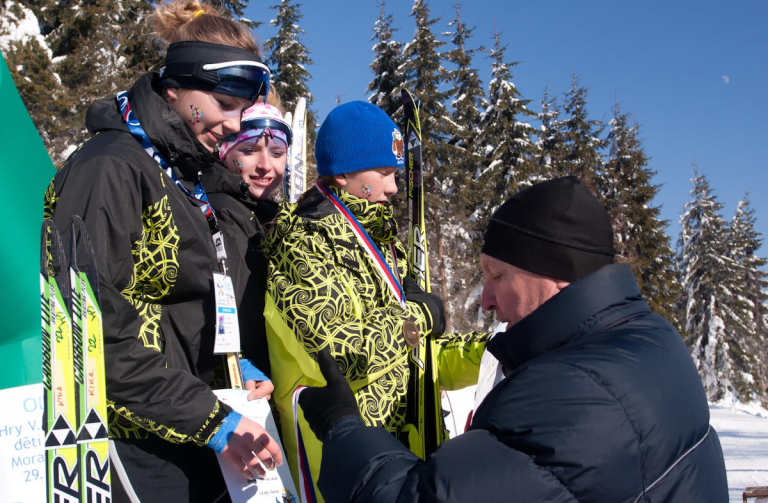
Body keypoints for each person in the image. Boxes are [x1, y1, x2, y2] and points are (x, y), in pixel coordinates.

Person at [297, 176, 730, 503]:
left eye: (497, 275)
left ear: (554, 273)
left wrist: (343, 430)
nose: (485, 299)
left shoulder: (573, 396)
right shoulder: (651, 340)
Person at [42, 1, 283, 501]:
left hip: (183, 429)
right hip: (125, 443)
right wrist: (211, 420)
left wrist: (230, 369)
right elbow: (86, 332)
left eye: (245, 109)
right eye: (226, 105)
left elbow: (178, 310)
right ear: (177, 87)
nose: (237, 126)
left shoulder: (182, 176)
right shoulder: (111, 167)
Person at [261, 101, 489, 501]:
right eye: (383, 173)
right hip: (347, 464)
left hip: (400, 459)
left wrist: (493, 351)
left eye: (395, 174)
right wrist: (417, 315)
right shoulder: (304, 241)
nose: (394, 188)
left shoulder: (379, 243)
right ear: (345, 173)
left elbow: (415, 356)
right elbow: (341, 354)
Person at [205, 98, 292, 390]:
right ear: (225, 152)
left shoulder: (271, 218)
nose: (265, 166)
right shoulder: (215, 213)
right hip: (237, 388)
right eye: (249, 150)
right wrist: (240, 363)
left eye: (277, 153)